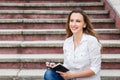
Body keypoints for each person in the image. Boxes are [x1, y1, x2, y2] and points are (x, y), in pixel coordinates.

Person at [44, 8, 102, 80]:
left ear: (84, 24)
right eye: (71, 21)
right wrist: (57, 66)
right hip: (71, 78)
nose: (74, 24)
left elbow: (95, 69)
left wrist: (72, 75)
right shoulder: (67, 42)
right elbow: (68, 66)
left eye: (78, 21)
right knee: (49, 73)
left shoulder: (91, 41)